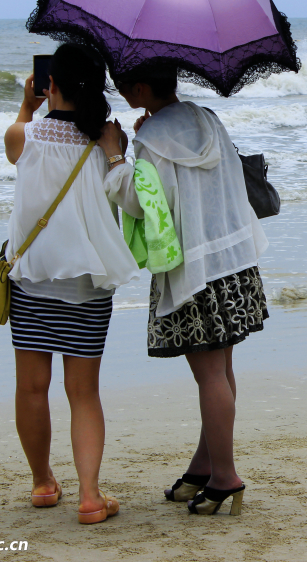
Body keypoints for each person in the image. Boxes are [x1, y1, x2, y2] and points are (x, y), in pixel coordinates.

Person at [103, 65, 269, 517]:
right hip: (233, 258)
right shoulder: (207, 118)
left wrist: (117, 155)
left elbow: (140, 202)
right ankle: (204, 466)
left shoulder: (151, 139)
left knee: (210, 375)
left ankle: (225, 477)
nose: (117, 88)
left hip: (195, 269)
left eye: (121, 82)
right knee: (222, 368)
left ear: (140, 88)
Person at [3, 43, 139, 525]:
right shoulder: (104, 141)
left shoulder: (24, 135)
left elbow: (16, 141)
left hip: (32, 281)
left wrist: (27, 104)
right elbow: (134, 204)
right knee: (83, 393)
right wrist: (117, 152)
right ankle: (89, 496)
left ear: (50, 83)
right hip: (87, 286)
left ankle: (42, 483)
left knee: (32, 388)